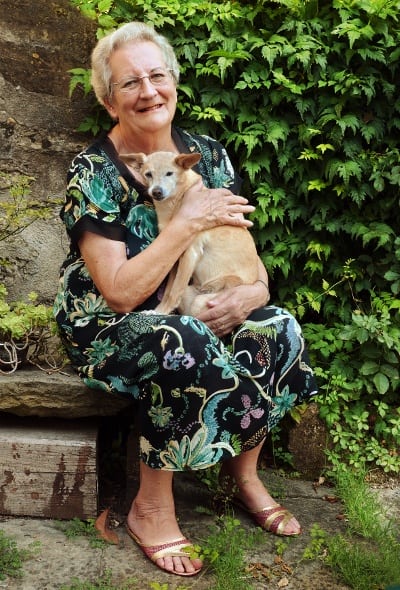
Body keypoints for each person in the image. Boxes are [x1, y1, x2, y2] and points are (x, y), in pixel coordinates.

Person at [54, 21, 318, 577]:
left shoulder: (209, 155)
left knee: (277, 327)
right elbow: (121, 292)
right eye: (130, 83)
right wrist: (185, 222)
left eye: (157, 75)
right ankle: (150, 506)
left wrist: (253, 293)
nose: (149, 90)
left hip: (196, 298)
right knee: (181, 337)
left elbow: (240, 249)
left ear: (174, 82)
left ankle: (243, 476)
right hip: (108, 323)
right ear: (109, 100)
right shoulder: (95, 171)